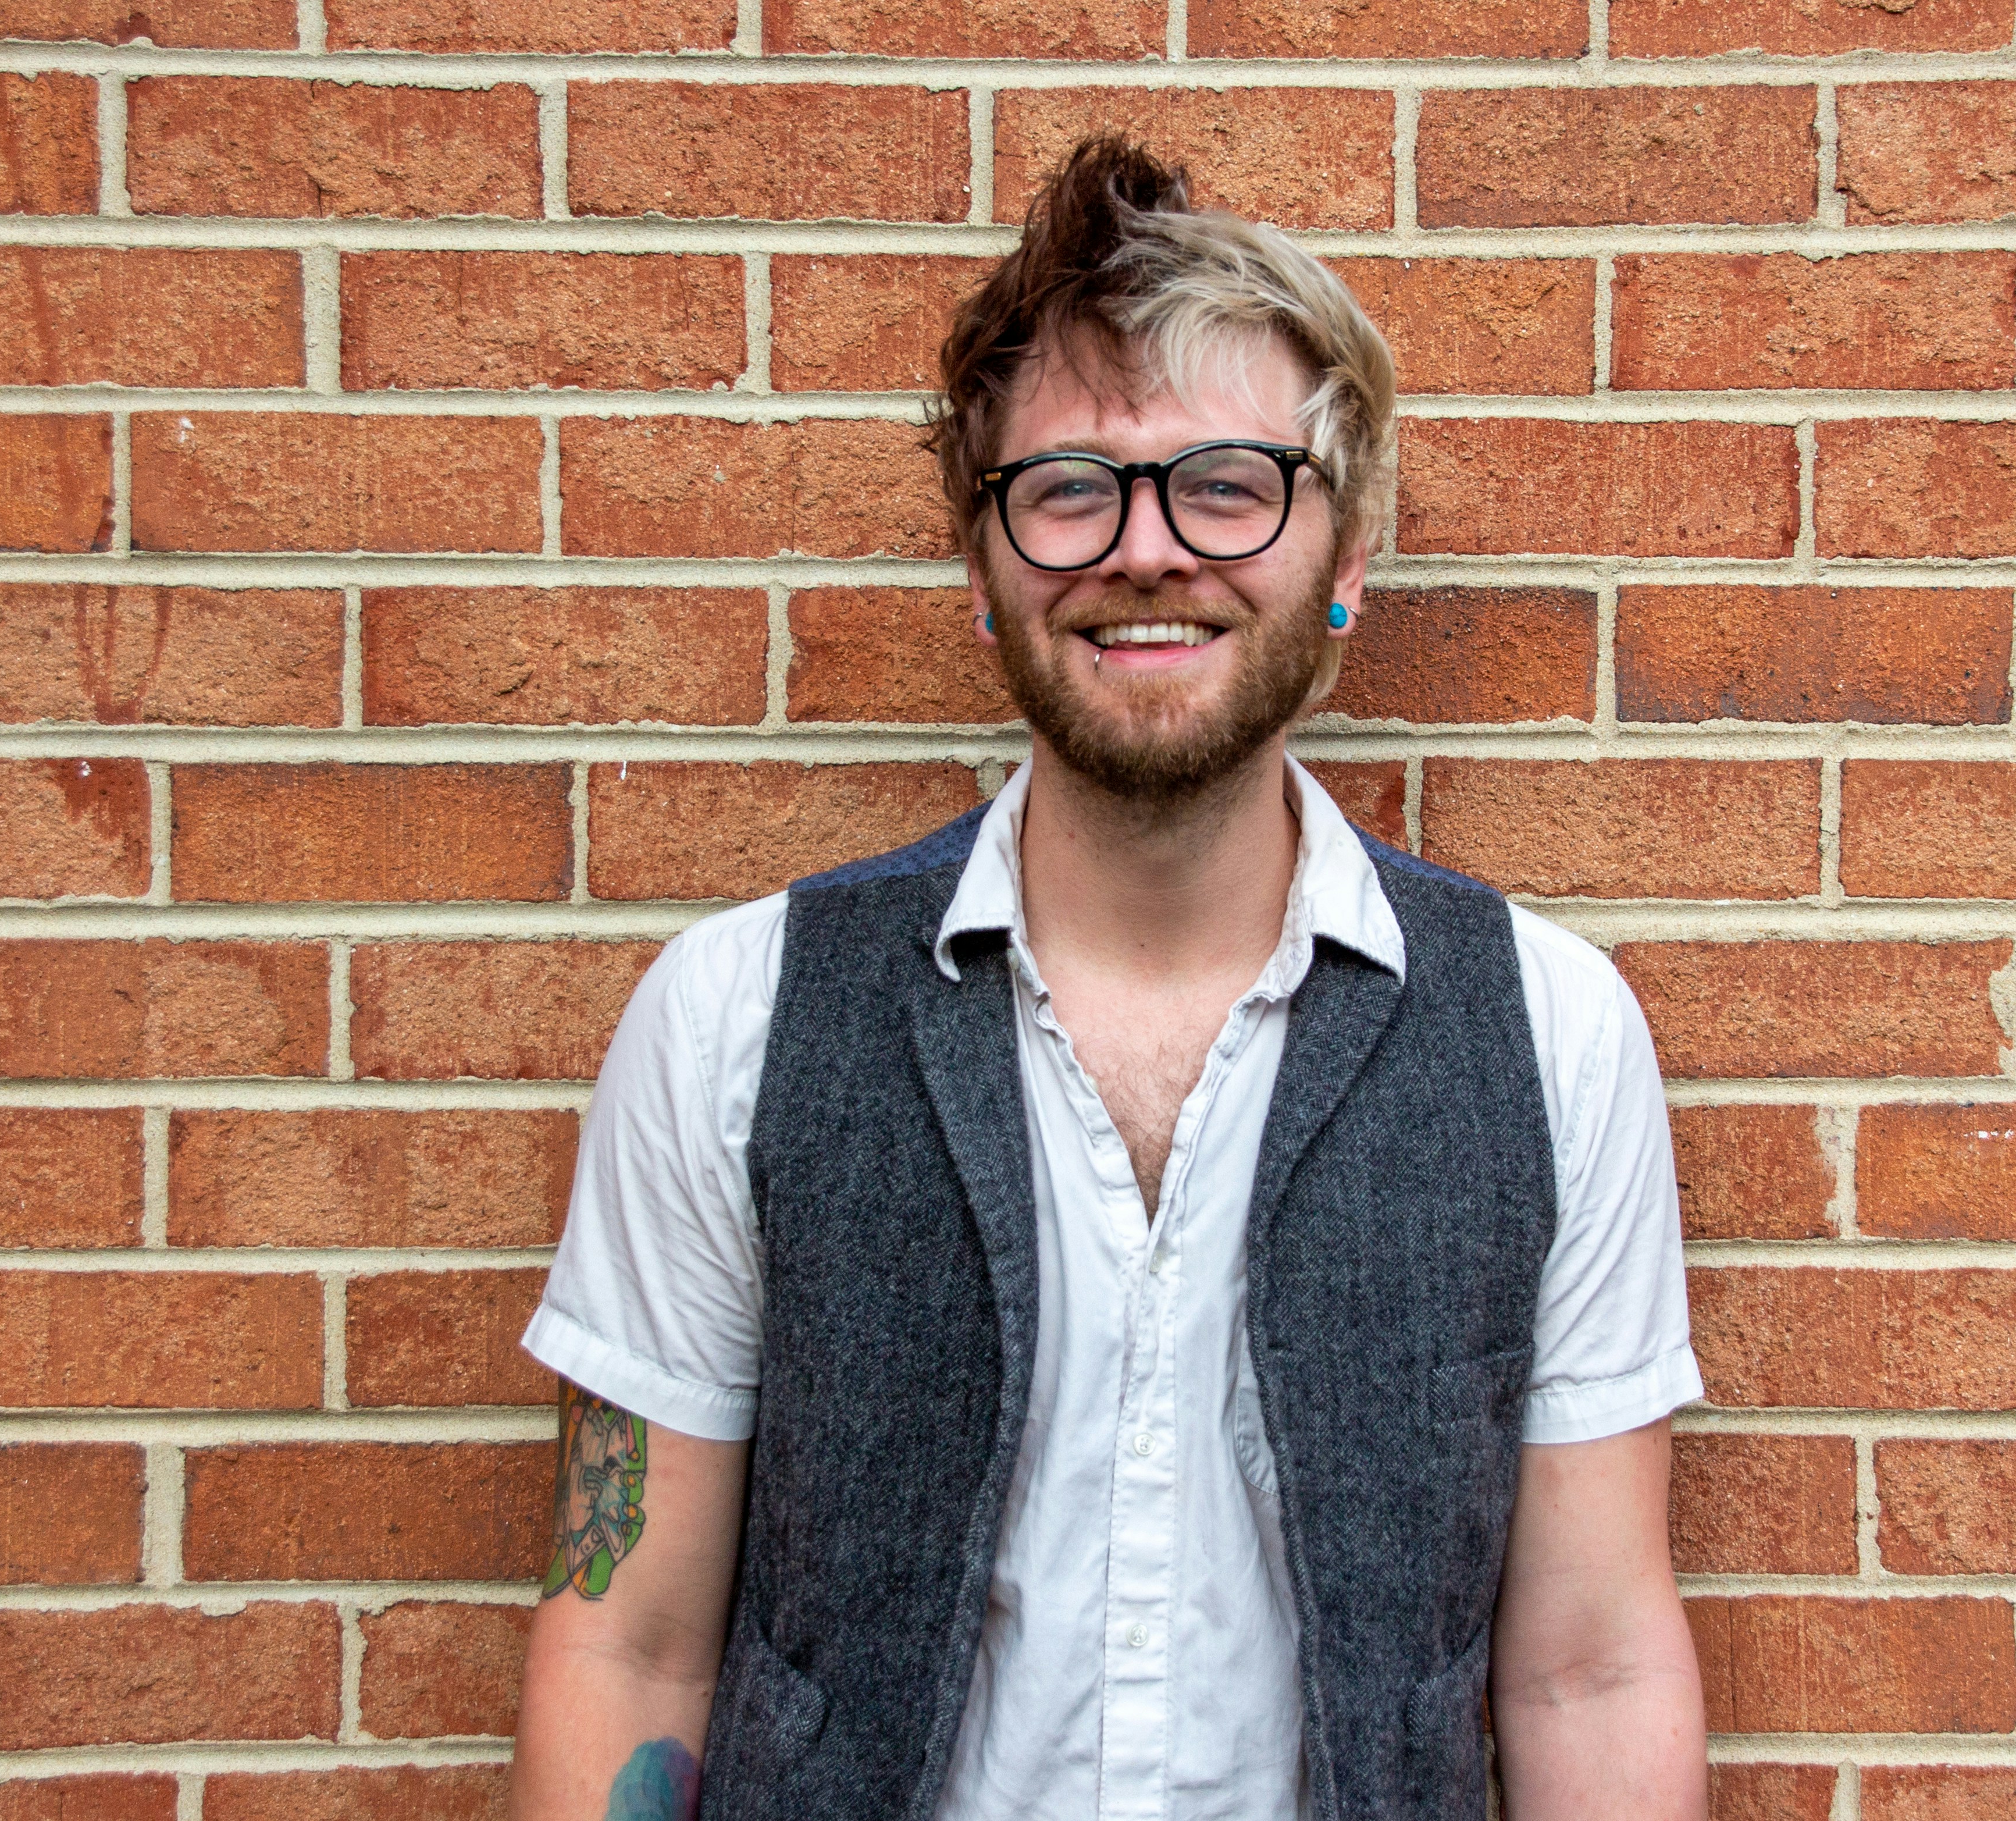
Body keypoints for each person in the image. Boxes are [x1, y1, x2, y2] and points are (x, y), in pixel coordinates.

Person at [507, 136, 1707, 1821]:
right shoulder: (736, 1020)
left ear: (1346, 552)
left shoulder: (1548, 1038)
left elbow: (1589, 1662)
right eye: (1069, 487)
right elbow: (628, 1644)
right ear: (984, 565)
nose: (1145, 549)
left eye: (1228, 482)